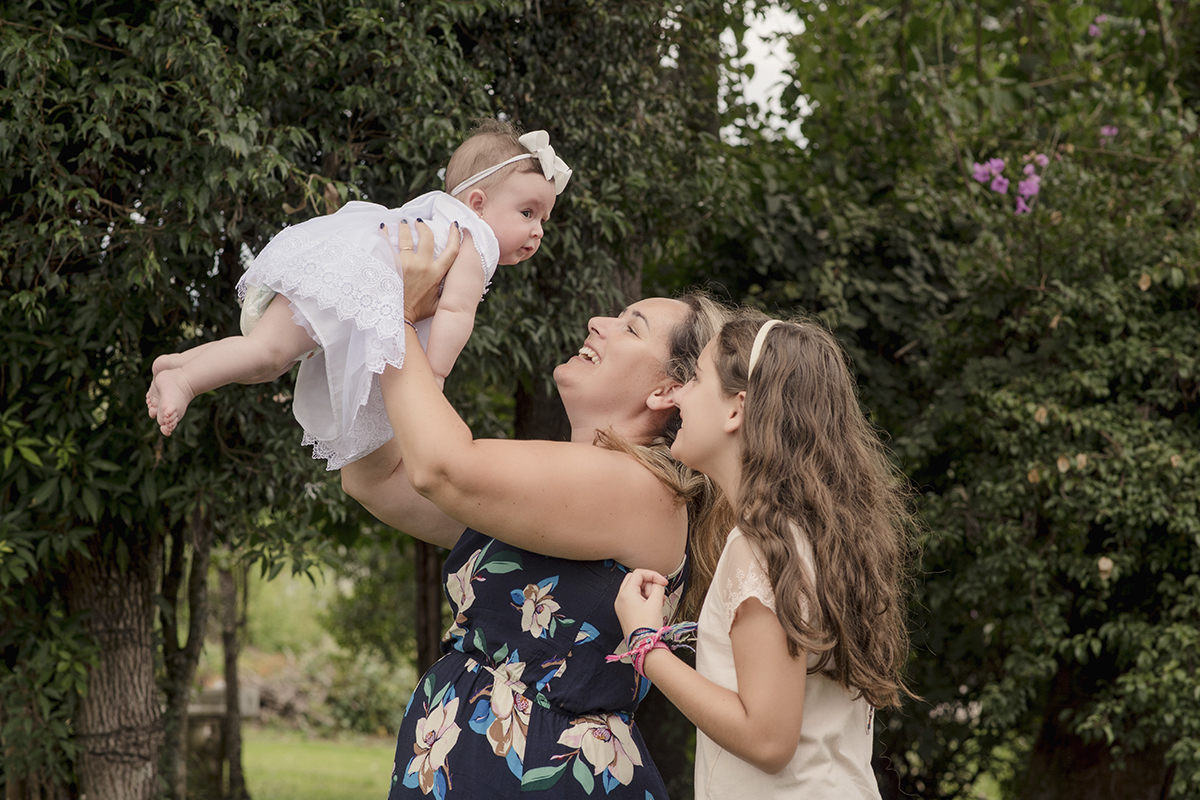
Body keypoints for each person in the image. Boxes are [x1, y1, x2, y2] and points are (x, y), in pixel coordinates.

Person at [339, 221, 732, 799]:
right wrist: (400, 328)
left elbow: (440, 468)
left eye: (632, 326)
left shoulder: (641, 488)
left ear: (666, 391)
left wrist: (396, 318)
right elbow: (374, 479)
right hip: (466, 762)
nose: (599, 322)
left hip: (545, 778)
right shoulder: (562, 491)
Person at [145, 120, 571, 470]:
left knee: (268, 359)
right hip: (346, 281)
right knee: (267, 355)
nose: (537, 230)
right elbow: (457, 311)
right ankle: (182, 380)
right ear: (477, 203)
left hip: (339, 270)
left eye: (544, 220)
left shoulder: (439, 216)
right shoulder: (475, 240)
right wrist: (435, 375)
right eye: (528, 213)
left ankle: (179, 363)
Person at [613, 313, 916, 799]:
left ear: (737, 409)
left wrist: (646, 645)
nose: (678, 395)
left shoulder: (761, 545)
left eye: (694, 378)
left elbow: (768, 739)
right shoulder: (803, 535)